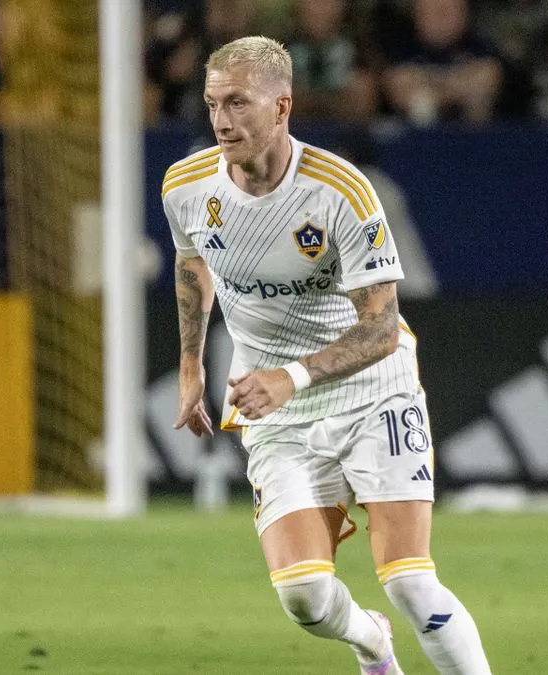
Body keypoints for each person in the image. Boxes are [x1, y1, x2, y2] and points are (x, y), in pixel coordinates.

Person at [165, 36, 490, 674]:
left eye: (238, 103)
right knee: (304, 599)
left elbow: (382, 328)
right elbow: (191, 263)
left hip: (373, 393)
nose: (222, 121)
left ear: (282, 106)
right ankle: (372, 644)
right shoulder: (186, 185)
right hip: (279, 413)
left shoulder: (340, 190)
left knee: (410, 582)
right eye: (212, 104)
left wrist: (291, 376)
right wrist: (189, 367)